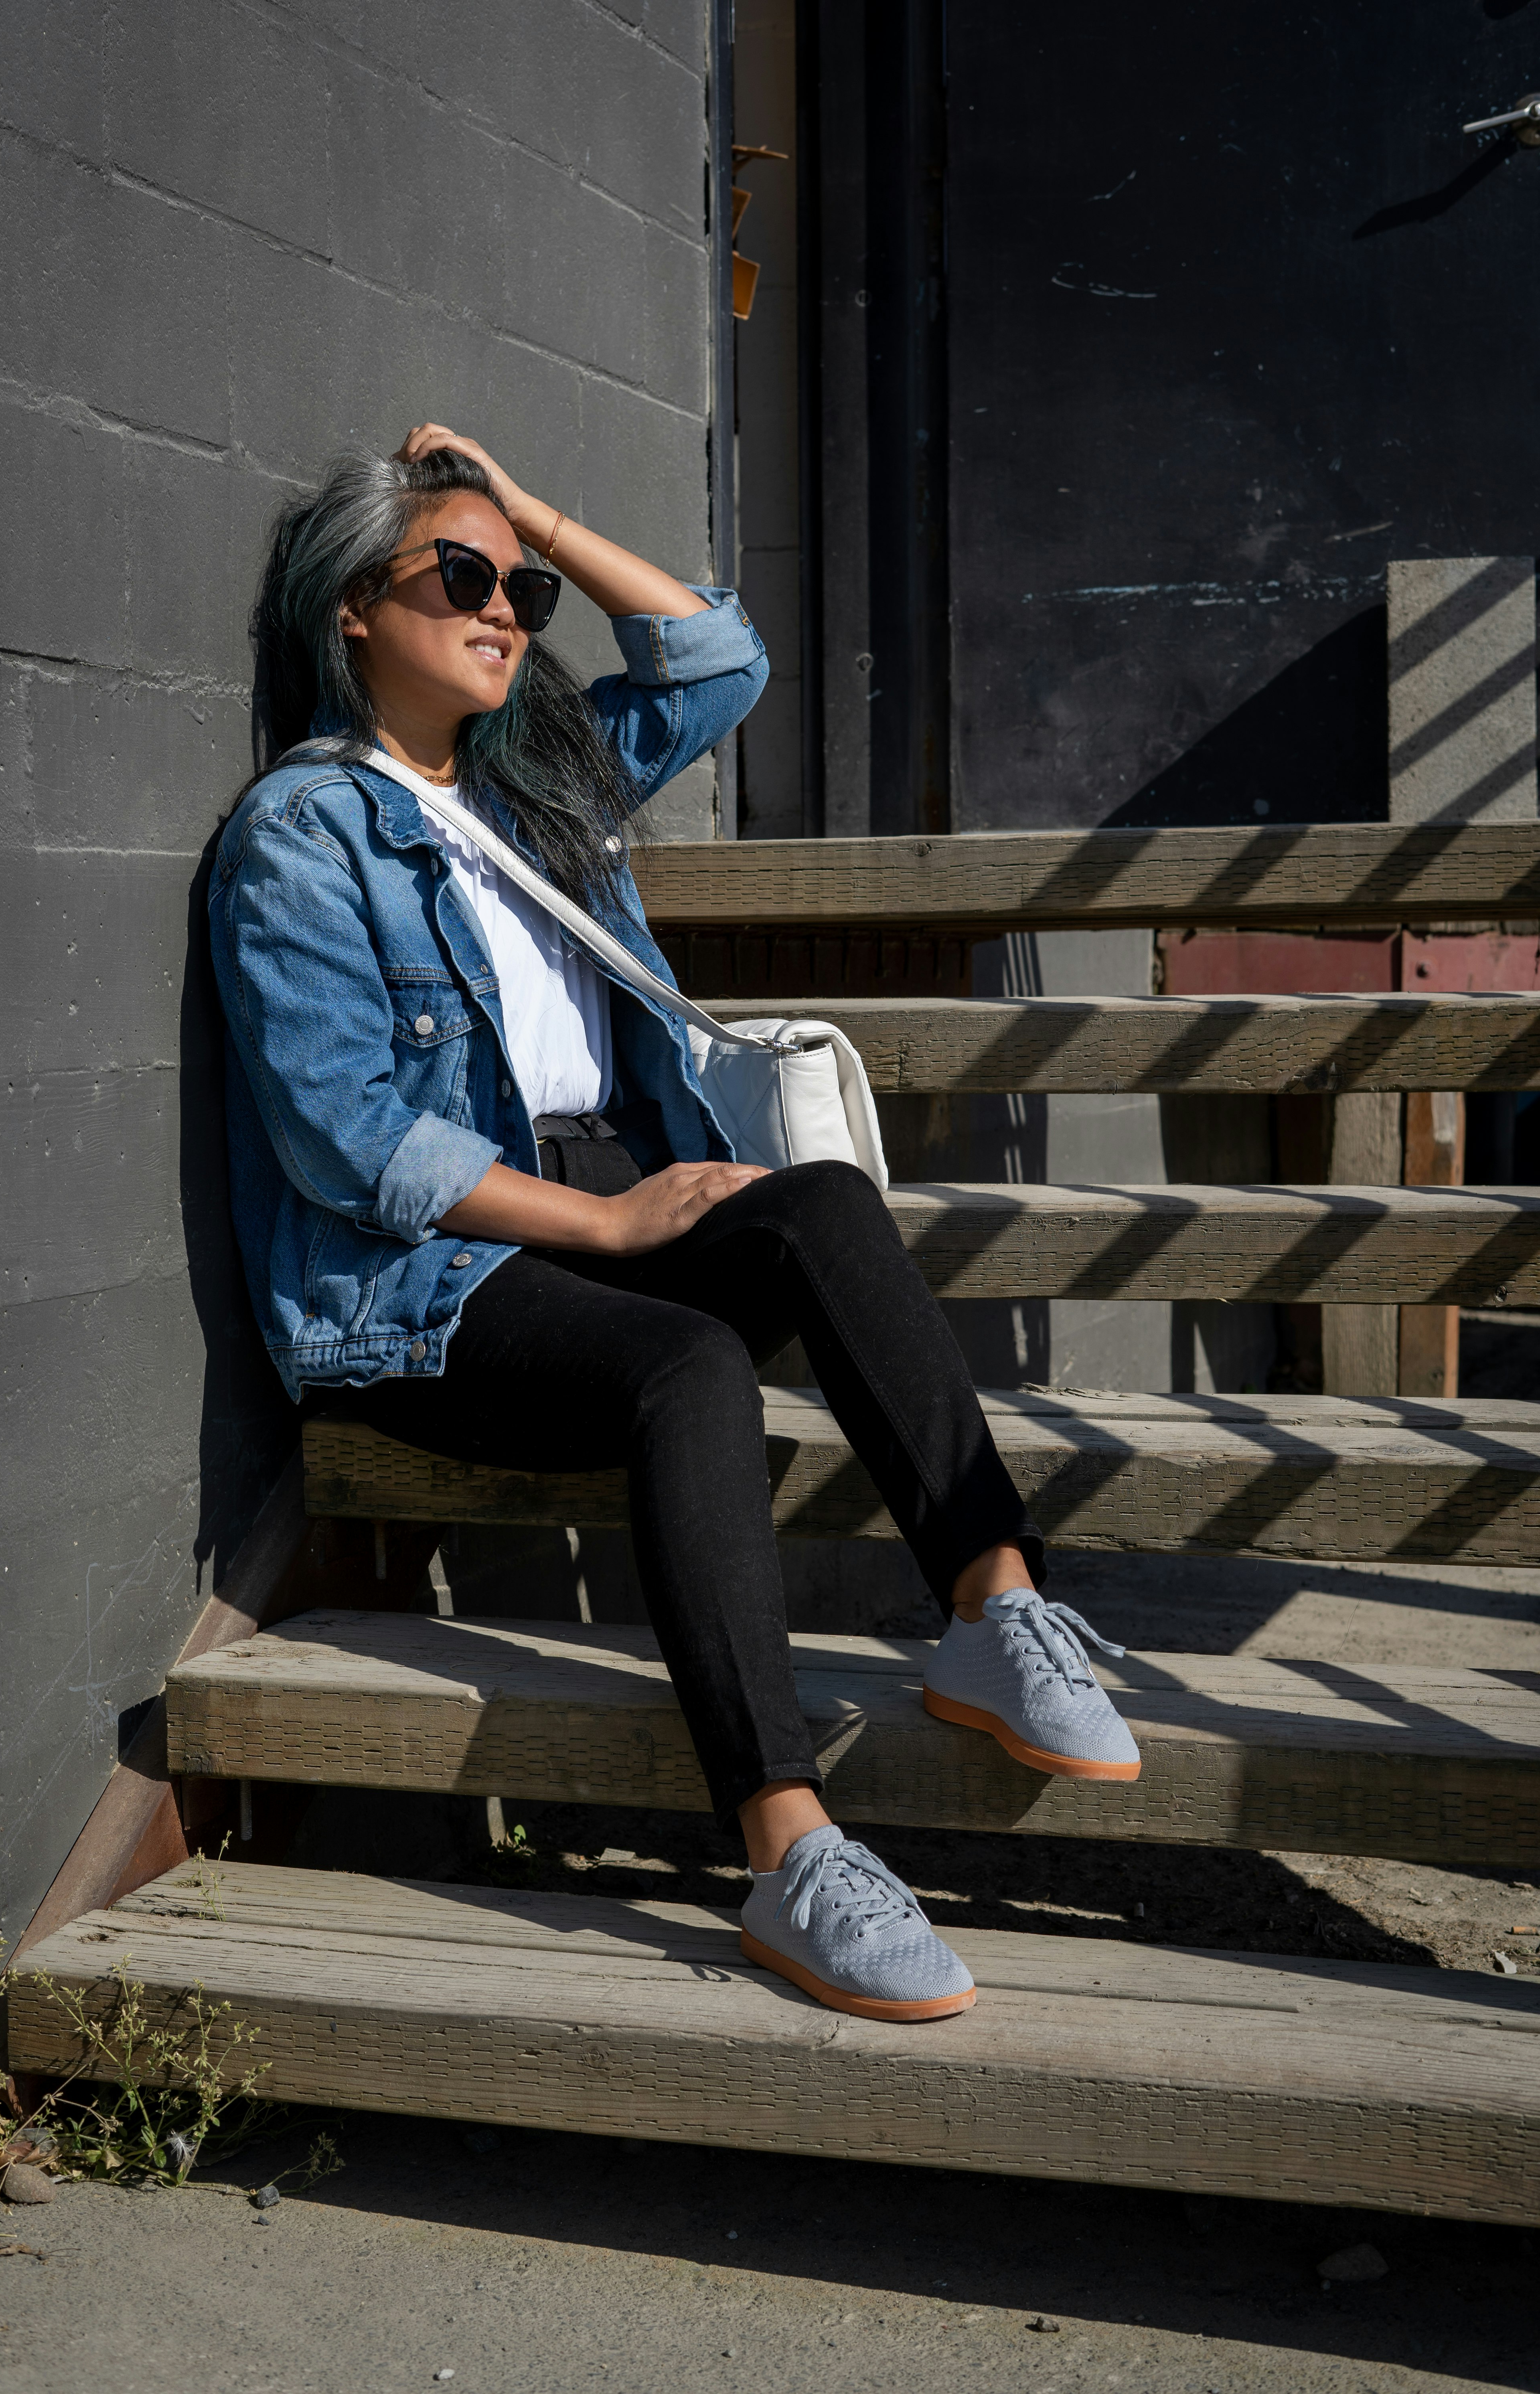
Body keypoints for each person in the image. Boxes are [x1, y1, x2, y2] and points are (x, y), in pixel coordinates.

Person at [209, 424, 1139, 2026]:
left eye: (524, 588)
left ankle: (993, 1604)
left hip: (605, 1195)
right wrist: (610, 1224)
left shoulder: (538, 779)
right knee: (690, 1366)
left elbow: (717, 661)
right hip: (429, 1275)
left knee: (826, 1210)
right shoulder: (303, 835)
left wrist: (528, 502)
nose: (505, 608)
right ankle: (789, 1849)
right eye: (461, 577)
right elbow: (345, 1139)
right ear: (352, 605)